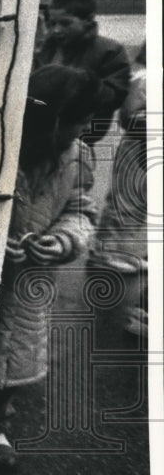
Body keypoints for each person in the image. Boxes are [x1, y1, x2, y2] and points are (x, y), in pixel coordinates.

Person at [0, 65, 100, 468]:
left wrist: (64, 239)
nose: (85, 129)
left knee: (14, 360)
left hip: (31, 282)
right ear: (52, 122)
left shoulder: (77, 157)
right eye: (79, 121)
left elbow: (81, 209)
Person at [86, 43, 148, 339]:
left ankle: (140, 299)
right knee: (126, 211)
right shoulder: (144, 80)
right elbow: (128, 118)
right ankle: (111, 264)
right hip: (140, 154)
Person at [33, 0, 131, 146]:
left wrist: (76, 86)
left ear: (88, 20)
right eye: (52, 23)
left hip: (80, 134)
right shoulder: (45, 47)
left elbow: (115, 95)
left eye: (65, 23)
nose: (56, 30)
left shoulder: (110, 51)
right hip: (40, 132)